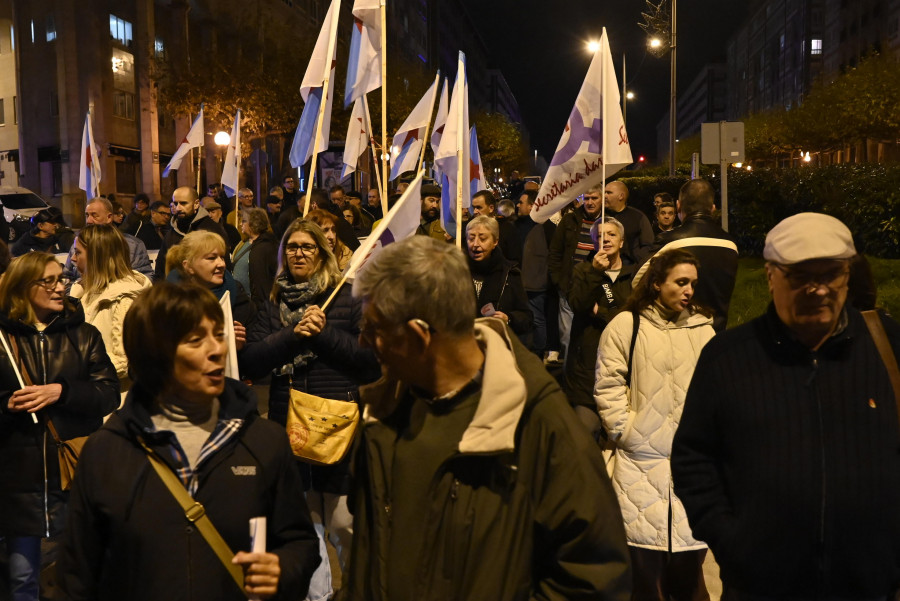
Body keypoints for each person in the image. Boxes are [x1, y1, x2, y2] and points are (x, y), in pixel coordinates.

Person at [344, 235, 631, 601]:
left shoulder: (539, 426)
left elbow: (595, 580)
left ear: (418, 337)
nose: (364, 343)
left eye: (374, 329)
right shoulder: (382, 413)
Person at [672, 212, 900, 600]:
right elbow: (694, 458)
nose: (818, 289)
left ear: (848, 274)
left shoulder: (889, 347)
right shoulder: (728, 357)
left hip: (872, 586)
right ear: (770, 275)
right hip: (759, 588)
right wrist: (732, 543)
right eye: (799, 276)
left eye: (830, 274)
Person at [57, 282, 321, 600]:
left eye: (219, 335)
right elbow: (76, 576)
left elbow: (300, 543)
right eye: (196, 340)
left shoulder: (264, 440)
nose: (217, 349)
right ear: (155, 354)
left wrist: (283, 568)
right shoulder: (106, 452)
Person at [240, 219, 379, 585]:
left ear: (323, 253)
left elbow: (370, 364)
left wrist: (324, 334)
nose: (298, 253)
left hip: (338, 428)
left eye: (307, 247)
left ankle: (356, 591)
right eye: (292, 246)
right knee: (304, 530)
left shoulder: (347, 297)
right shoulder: (273, 302)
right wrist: (291, 335)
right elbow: (251, 361)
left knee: (343, 527)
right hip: (291, 428)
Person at [594, 248, 714, 601]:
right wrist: (626, 431)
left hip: (690, 468)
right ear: (657, 283)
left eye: (693, 283)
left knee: (690, 574)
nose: (689, 290)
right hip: (639, 465)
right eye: (681, 282)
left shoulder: (704, 330)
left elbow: (716, 391)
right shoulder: (626, 325)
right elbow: (608, 383)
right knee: (646, 577)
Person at [0, 253, 119, 601]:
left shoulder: (84, 335)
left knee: (83, 576)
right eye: (48, 281)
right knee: (23, 580)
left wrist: (62, 391)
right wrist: (5, 404)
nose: (60, 287)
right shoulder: (3, 337)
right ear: (24, 287)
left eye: (61, 279)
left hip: (75, 474)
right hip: (16, 479)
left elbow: (109, 393)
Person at [566, 218, 635, 425]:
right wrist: (596, 273)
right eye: (599, 236)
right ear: (593, 243)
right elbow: (578, 304)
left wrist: (601, 312)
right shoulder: (582, 271)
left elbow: (635, 315)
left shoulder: (635, 274)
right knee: (586, 431)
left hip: (624, 363)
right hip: (588, 365)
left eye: (611, 234)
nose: (605, 239)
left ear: (622, 242)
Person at [69, 225, 152, 393]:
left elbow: (125, 360)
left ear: (96, 256)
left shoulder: (124, 299)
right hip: (90, 395)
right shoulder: (82, 292)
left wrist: (75, 368)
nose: (72, 258)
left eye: (78, 252)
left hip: (116, 401)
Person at [648, 178, 738, 332]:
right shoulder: (730, 245)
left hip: (676, 333)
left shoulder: (668, 241)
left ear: (678, 206)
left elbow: (638, 280)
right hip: (715, 334)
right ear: (713, 208)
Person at [165, 231, 256, 329]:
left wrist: (237, 344)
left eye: (222, 257)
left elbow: (255, 339)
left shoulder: (239, 298)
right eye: (211, 258)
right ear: (188, 266)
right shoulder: (167, 301)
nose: (222, 264)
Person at [465, 215, 532, 342]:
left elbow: (527, 317)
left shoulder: (509, 273)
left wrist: (508, 319)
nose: (475, 244)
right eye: (471, 238)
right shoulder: (457, 270)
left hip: (497, 345)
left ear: (495, 241)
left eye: (482, 238)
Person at [63, 197, 155, 282]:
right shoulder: (78, 244)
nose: (89, 221)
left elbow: (146, 278)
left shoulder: (133, 245)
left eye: (94, 215)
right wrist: (77, 294)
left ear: (109, 217)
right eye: (87, 215)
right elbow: (66, 278)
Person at [514, 190, 558, 358]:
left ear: (532, 205)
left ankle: (538, 351)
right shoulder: (518, 225)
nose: (518, 205)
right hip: (523, 281)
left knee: (537, 319)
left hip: (536, 283)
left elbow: (552, 255)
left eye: (521, 202)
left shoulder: (546, 228)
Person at [155, 186, 228, 280]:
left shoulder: (212, 229)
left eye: (183, 203)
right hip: (175, 291)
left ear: (196, 204)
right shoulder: (171, 233)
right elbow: (161, 268)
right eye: (175, 203)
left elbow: (224, 267)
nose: (178, 208)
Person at [231, 208, 278, 307]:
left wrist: (258, 306)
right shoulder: (244, 242)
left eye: (244, 221)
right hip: (242, 301)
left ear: (254, 223)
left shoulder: (265, 247)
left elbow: (262, 282)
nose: (240, 224)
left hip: (255, 305)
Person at [603, 181, 654, 264]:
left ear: (621, 196)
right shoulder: (601, 216)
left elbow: (648, 245)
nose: (604, 196)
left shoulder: (638, 217)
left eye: (609, 193)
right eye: (604, 192)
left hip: (630, 269)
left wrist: (636, 260)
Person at [472, 190, 521, 265]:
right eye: (474, 208)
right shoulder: (470, 228)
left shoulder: (507, 228)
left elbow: (514, 259)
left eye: (479, 207)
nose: (475, 211)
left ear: (491, 208)